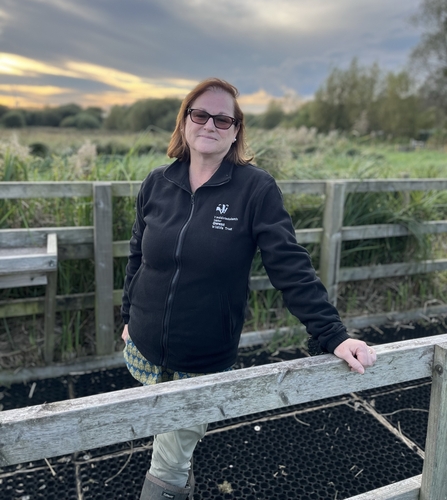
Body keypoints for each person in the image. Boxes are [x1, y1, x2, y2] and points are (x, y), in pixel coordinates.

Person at [121, 78, 377, 500]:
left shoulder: (255, 189)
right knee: (167, 441)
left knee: (166, 463)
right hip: (143, 347)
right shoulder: (156, 182)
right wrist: (128, 316)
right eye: (200, 114)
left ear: (237, 130)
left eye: (224, 119)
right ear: (184, 121)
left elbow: (289, 265)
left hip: (200, 357)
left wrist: (332, 334)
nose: (210, 125)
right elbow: (137, 256)